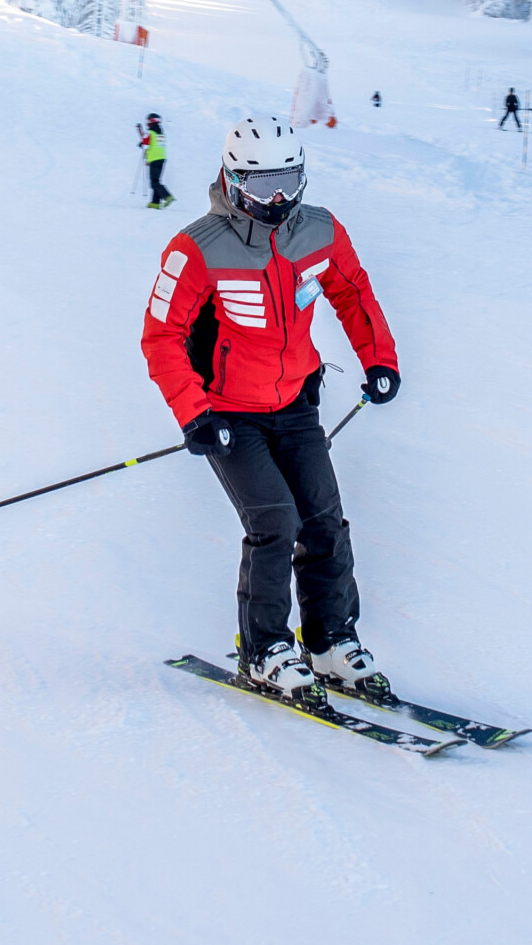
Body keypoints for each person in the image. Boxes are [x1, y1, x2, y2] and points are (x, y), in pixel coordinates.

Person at [141, 115, 402, 699]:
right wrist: (193, 414)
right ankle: (264, 650)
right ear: (232, 182)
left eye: (286, 181)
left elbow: (352, 292)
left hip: (296, 404)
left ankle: (331, 642)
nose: (276, 199)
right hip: (228, 414)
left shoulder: (320, 231)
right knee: (274, 523)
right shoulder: (195, 248)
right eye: (261, 186)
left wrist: (379, 359)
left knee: (324, 522)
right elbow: (160, 337)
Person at [139, 113, 173, 209]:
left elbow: (146, 144)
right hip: (162, 159)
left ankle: (167, 196)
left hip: (154, 159)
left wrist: (141, 143)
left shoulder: (150, 132)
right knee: (156, 181)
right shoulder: (161, 133)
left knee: (154, 182)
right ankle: (155, 202)